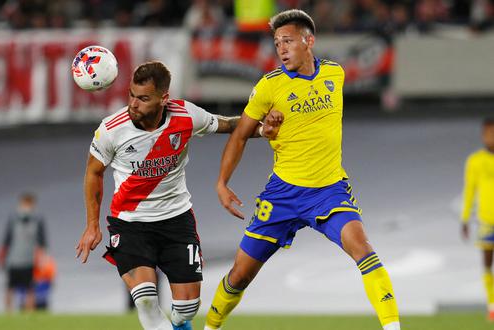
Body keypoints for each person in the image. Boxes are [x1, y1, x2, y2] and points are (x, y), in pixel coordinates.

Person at [203, 9, 400, 330]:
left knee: (364, 250)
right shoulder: (269, 87)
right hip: (283, 194)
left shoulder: (335, 74)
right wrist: (222, 182)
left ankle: (393, 327)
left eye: (288, 41)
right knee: (240, 274)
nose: (280, 49)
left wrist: (280, 125)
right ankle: (210, 326)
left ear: (309, 41)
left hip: (329, 190)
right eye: (277, 42)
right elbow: (240, 134)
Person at [75, 61, 269, 330]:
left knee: (187, 309)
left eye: (143, 98)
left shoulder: (186, 115)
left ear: (163, 98)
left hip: (176, 221)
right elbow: (93, 173)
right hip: (130, 223)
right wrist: (92, 225)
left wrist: (262, 129)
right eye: (132, 95)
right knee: (144, 300)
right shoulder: (111, 129)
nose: (134, 104)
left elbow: (227, 124)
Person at [461, 118, 494, 321]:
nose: (488, 137)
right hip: (486, 222)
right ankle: (492, 305)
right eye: (486, 133)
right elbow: (469, 190)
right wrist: (464, 219)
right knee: (486, 265)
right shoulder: (475, 161)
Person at [0, 192, 47, 312]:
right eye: (25, 203)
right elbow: (6, 240)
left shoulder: (37, 221)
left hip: (29, 260)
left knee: (30, 288)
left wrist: (41, 259)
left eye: (30, 204)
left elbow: (42, 243)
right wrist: (1, 256)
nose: (27, 207)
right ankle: (8, 313)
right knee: (10, 288)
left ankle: (29, 314)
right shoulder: (13, 220)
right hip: (14, 260)